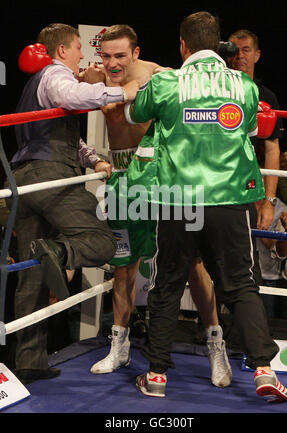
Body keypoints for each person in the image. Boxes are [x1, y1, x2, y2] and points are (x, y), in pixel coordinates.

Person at [125, 11, 287, 402]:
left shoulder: (167, 81)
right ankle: (264, 370)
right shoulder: (245, 87)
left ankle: (157, 376)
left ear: (183, 46)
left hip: (179, 199)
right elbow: (250, 130)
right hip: (230, 200)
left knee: (167, 284)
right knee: (240, 285)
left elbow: (134, 113)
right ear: (218, 46)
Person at [89, 24, 232, 388]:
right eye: (106, 56)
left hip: (163, 178)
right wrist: (92, 157)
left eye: (120, 55)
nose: (113, 63)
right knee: (123, 266)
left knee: (193, 265)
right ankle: (119, 346)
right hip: (121, 179)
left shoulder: (159, 75)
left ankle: (218, 346)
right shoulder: (94, 80)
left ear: (135, 53)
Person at [5, 23, 139, 385]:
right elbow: (73, 97)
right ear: (63, 50)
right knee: (103, 241)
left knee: (32, 275)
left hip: (26, 181)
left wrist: (93, 159)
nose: (84, 54)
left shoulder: (37, 84)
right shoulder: (54, 74)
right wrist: (121, 91)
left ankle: (29, 361)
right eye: (79, 47)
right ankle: (59, 252)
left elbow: (63, 133)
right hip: (48, 178)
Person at [227, 29, 284, 231]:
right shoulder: (213, 92)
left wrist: (269, 201)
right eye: (235, 50)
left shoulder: (266, 97)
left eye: (246, 50)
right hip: (213, 185)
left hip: (247, 188)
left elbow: (272, 150)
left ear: (257, 55)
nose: (240, 55)